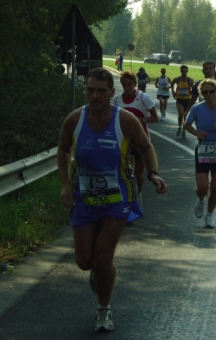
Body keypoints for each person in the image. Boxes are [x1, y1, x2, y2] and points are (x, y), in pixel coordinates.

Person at [57, 67, 167, 333]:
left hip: (118, 198)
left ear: (111, 93)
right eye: (90, 90)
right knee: (85, 261)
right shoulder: (75, 119)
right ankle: (97, 270)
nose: (95, 96)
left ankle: (103, 309)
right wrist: (65, 186)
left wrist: (152, 173)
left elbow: (145, 147)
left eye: (101, 91)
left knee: (104, 256)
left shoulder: (125, 120)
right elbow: (63, 149)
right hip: (85, 199)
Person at [184, 79, 216, 228]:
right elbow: (186, 124)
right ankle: (201, 201)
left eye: (211, 91)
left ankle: (210, 214)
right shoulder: (197, 108)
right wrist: (196, 133)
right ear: (202, 94)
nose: (208, 95)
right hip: (203, 148)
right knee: (202, 187)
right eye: (205, 92)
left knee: (215, 187)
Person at [112, 70, 158, 209]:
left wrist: (141, 119)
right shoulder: (116, 99)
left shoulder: (143, 98)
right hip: (123, 141)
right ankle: (126, 199)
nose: (127, 88)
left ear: (135, 84)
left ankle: (138, 195)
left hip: (140, 141)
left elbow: (155, 118)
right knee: (124, 172)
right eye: (124, 85)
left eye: (130, 85)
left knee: (138, 173)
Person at [171, 65, 194, 139]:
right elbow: (171, 84)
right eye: (183, 71)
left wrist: (191, 92)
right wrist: (173, 92)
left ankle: (184, 130)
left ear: (187, 71)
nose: (184, 72)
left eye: (185, 71)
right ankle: (179, 127)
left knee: (185, 116)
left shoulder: (190, 80)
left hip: (187, 100)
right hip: (179, 100)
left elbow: (193, 89)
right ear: (180, 71)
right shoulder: (177, 79)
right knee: (181, 114)